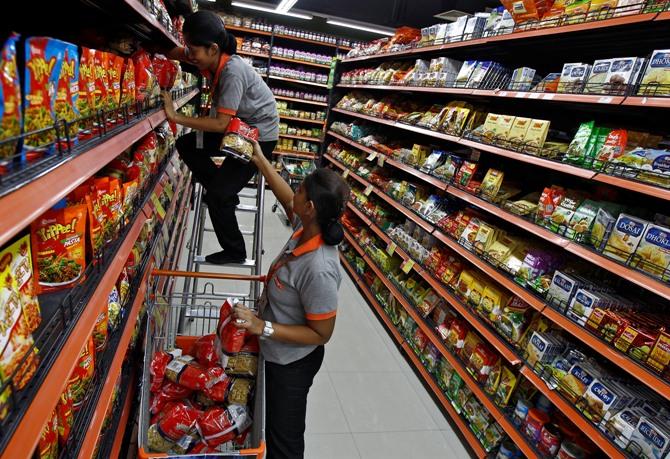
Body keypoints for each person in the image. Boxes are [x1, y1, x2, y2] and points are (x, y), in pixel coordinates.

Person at [232, 140, 350, 459]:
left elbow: (322, 333)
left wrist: (263, 327)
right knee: (268, 422)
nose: (293, 193)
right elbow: (283, 194)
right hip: (275, 352)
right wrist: (260, 159)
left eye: (300, 191)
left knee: (284, 440)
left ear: (310, 206)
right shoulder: (305, 227)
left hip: (292, 362)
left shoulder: (320, 267)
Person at [162, 10, 279, 265]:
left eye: (194, 51)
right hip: (235, 130)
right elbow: (176, 53)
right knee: (186, 145)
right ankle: (225, 192)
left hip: (256, 138)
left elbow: (220, 123)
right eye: (189, 49)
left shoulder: (232, 72)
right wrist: (147, 42)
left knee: (216, 197)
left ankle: (235, 250)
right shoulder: (209, 58)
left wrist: (176, 117)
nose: (190, 56)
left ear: (213, 49)